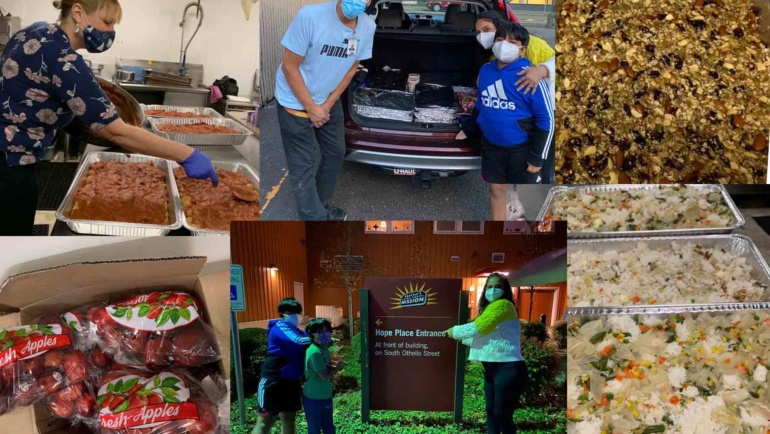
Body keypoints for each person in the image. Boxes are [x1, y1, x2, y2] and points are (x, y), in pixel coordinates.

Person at [0, 0, 218, 236]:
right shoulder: (64, 59)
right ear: (77, 13)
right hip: (10, 161)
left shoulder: (37, 31)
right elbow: (116, 130)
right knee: (11, 240)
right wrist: (187, 154)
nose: (110, 31)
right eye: (107, 22)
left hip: (8, 151)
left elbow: (41, 95)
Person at [275, 0, 376, 221]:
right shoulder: (310, 17)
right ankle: (315, 218)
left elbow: (351, 69)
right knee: (304, 163)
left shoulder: (368, 26)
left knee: (335, 152)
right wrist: (311, 108)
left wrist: (327, 105)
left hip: (328, 99)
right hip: (295, 99)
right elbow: (289, 66)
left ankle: (318, 204)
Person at [458, 23, 554, 221]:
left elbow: (547, 120)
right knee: (496, 191)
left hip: (522, 149)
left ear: (522, 49)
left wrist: (537, 157)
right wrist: (468, 130)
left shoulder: (529, 76)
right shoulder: (486, 71)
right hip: (493, 147)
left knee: (526, 198)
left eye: (512, 42)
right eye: (500, 40)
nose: (504, 45)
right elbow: (480, 104)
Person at [471, 10, 556, 185]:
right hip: (515, 122)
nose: (482, 36)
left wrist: (542, 70)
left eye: (487, 29)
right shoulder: (494, 55)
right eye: (478, 32)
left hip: (549, 107)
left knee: (542, 168)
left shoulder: (532, 44)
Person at [445, 273, 527, 434]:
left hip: (508, 369)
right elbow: (486, 340)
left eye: (498, 286)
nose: (493, 290)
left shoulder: (503, 305)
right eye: (489, 287)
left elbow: (477, 328)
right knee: (491, 413)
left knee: (501, 415)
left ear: (505, 290)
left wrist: (454, 331)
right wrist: (461, 339)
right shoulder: (490, 310)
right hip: (491, 370)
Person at [254, 298, 311, 434]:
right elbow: (298, 342)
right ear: (282, 314)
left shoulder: (300, 331)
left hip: (291, 383)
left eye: (298, 312)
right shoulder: (279, 327)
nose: (296, 316)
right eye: (291, 312)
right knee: (264, 423)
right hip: (273, 382)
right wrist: (320, 337)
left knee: (289, 419)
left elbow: (308, 343)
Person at [303, 317, 346, 434]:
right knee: (314, 429)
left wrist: (334, 366)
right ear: (312, 335)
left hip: (325, 396)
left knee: (329, 428)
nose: (325, 334)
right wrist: (338, 368)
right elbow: (324, 376)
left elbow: (326, 367)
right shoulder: (314, 352)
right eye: (320, 331)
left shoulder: (324, 348)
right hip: (314, 398)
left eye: (326, 331)